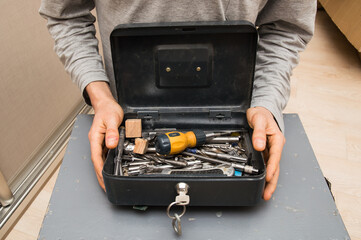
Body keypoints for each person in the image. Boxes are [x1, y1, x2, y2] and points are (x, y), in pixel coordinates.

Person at [39, 0, 317, 201]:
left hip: (233, 110)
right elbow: (66, 15)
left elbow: (286, 27)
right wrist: (101, 98)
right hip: (130, 113)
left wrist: (266, 101)